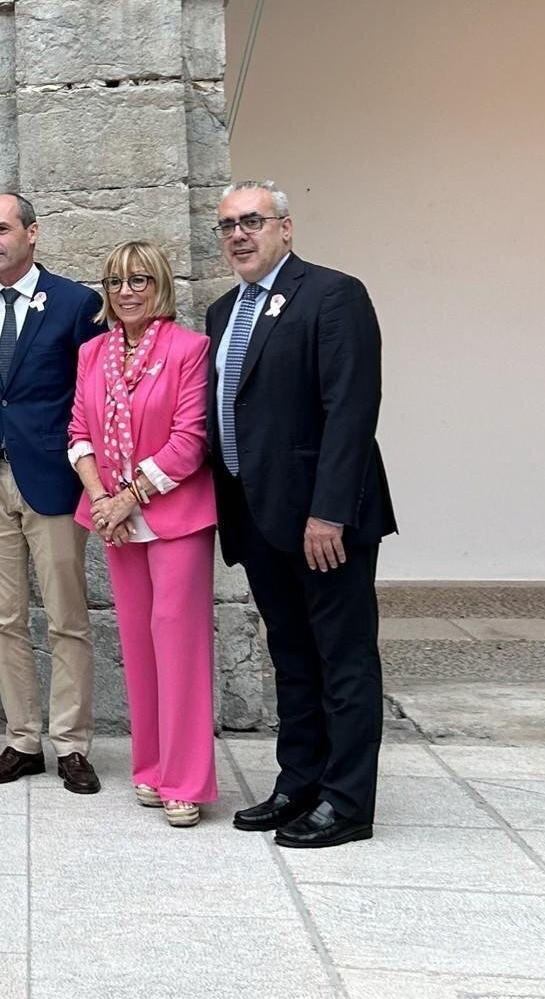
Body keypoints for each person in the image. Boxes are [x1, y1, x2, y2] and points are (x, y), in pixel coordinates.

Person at [208, 180, 395, 848]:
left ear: (285, 228)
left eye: (252, 221)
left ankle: (347, 802)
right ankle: (300, 782)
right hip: (259, 517)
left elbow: (352, 410)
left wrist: (329, 513)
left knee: (343, 659)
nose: (238, 234)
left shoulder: (333, 294)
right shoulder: (223, 310)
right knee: (291, 656)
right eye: (227, 225)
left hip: (322, 523)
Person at [0, 193, 106, 792]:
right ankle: (22, 740)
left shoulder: (75, 303)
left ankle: (72, 744)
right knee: (3, 618)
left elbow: (87, 394)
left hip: (53, 481)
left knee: (67, 617)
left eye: (1, 229)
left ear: (32, 233)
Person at [67, 241, 217, 826]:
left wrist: (128, 496)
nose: (126, 292)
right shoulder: (93, 352)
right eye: (115, 282)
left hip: (174, 518)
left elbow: (190, 440)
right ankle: (151, 767)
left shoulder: (189, 348)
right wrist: (103, 500)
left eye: (139, 280)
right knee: (138, 646)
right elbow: (79, 430)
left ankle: (187, 781)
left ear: (160, 286)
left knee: (178, 646)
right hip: (117, 521)